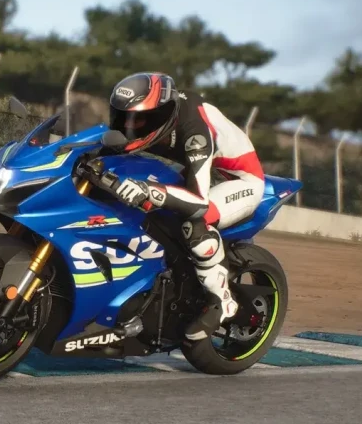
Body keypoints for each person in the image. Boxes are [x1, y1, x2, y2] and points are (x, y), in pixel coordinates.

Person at [81, 72, 265, 341]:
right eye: (123, 117)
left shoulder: (194, 133)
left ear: (162, 115)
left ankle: (223, 301)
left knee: (194, 224)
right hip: (195, 168)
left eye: (138, 119)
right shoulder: (157, 119)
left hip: (236, 179)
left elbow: (198, 201)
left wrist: (148, 190)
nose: (129, 126)